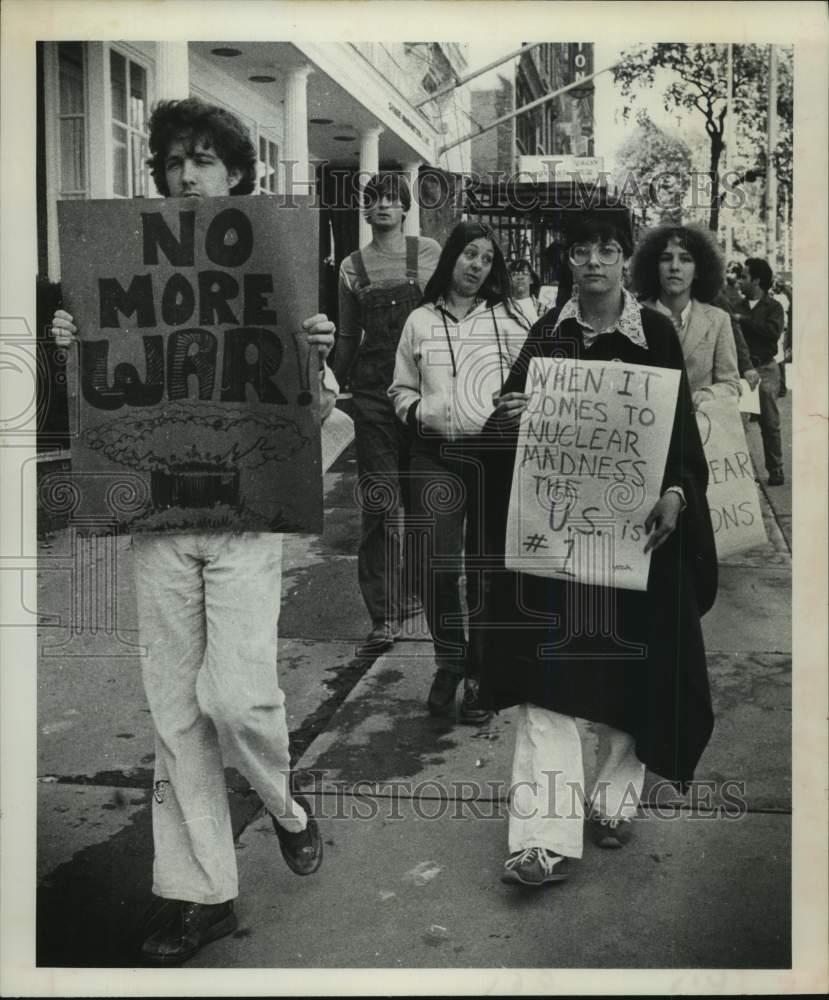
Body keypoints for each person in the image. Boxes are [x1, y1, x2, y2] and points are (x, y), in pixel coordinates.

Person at [51, 97, 336, 964]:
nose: (187, 175)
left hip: (246, 521)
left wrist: (313, 354)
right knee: (175, 712)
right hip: (160, 517)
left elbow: (310, 420)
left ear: (237, 173)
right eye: (175, 160)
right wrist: (75, 341)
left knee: (237, 700)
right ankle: (198, 894)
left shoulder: (277, 266)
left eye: (204, 159)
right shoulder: (125, 264)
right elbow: (106, 400)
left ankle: (285, 805)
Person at [476, 206, 717, 887]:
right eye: (581, 249)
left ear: (623, 259)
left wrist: (676, 495)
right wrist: (510, 416)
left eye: (607, 249)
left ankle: (612, 802)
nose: (592, 262)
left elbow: (680, 439)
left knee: (630, 670)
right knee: (543, 681)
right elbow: (503, 426)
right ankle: (540, 839)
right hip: (556, 544)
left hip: (633, 542)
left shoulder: (656, 335)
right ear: (567, 259)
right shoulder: (546, 335)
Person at [388, 221, 532, 723]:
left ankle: (479, 675)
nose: (477, 266)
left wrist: (520, 405)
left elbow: (533, 382)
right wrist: (417, 413)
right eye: (470, 254)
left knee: (487, 568)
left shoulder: (509, 320)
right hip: (434, 455)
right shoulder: (419, 320)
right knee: (436, 563)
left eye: (487, 259)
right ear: (451, 256)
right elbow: (400, 387)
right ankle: (450, 661)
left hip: (493, 456)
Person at [335, 173, 442, 657]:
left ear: (404, 209)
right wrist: (327, 387)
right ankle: (382, 616)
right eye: (374, 199)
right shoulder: (352, 266)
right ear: (365, 209)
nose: (382, 206)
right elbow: (346, 336)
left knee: (423, 503)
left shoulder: (429, 253)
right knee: (380, 503)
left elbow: (448, 319)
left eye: (392, 200)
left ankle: (418, 593)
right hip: (373, 398)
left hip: (422, 396)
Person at [631, 224, 740, 407]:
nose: (674, 267)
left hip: (697, 422)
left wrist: (709, 395)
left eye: (685, 259)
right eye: (666, 258)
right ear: (654, 267)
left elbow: (731, 384)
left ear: (698, 270)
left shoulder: (718, 320)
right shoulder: (632, 317)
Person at [734, 257, 786, 486]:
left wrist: (743, 321)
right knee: (738, 424)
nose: (739, 280)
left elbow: (772, 334)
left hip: (766, 368)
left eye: (744, 276)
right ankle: (739, 473)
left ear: (756, 281)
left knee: (770, 423)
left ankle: (776, 469)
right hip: (743, 371)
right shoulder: (737, 306)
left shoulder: (773, 307)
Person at [508, 258, 541, 326]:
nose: (520, 277)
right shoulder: (504, 308)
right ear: (509, 280)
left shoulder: (542, 310)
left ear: (531, 279)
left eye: (524, 274)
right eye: (514, 274)